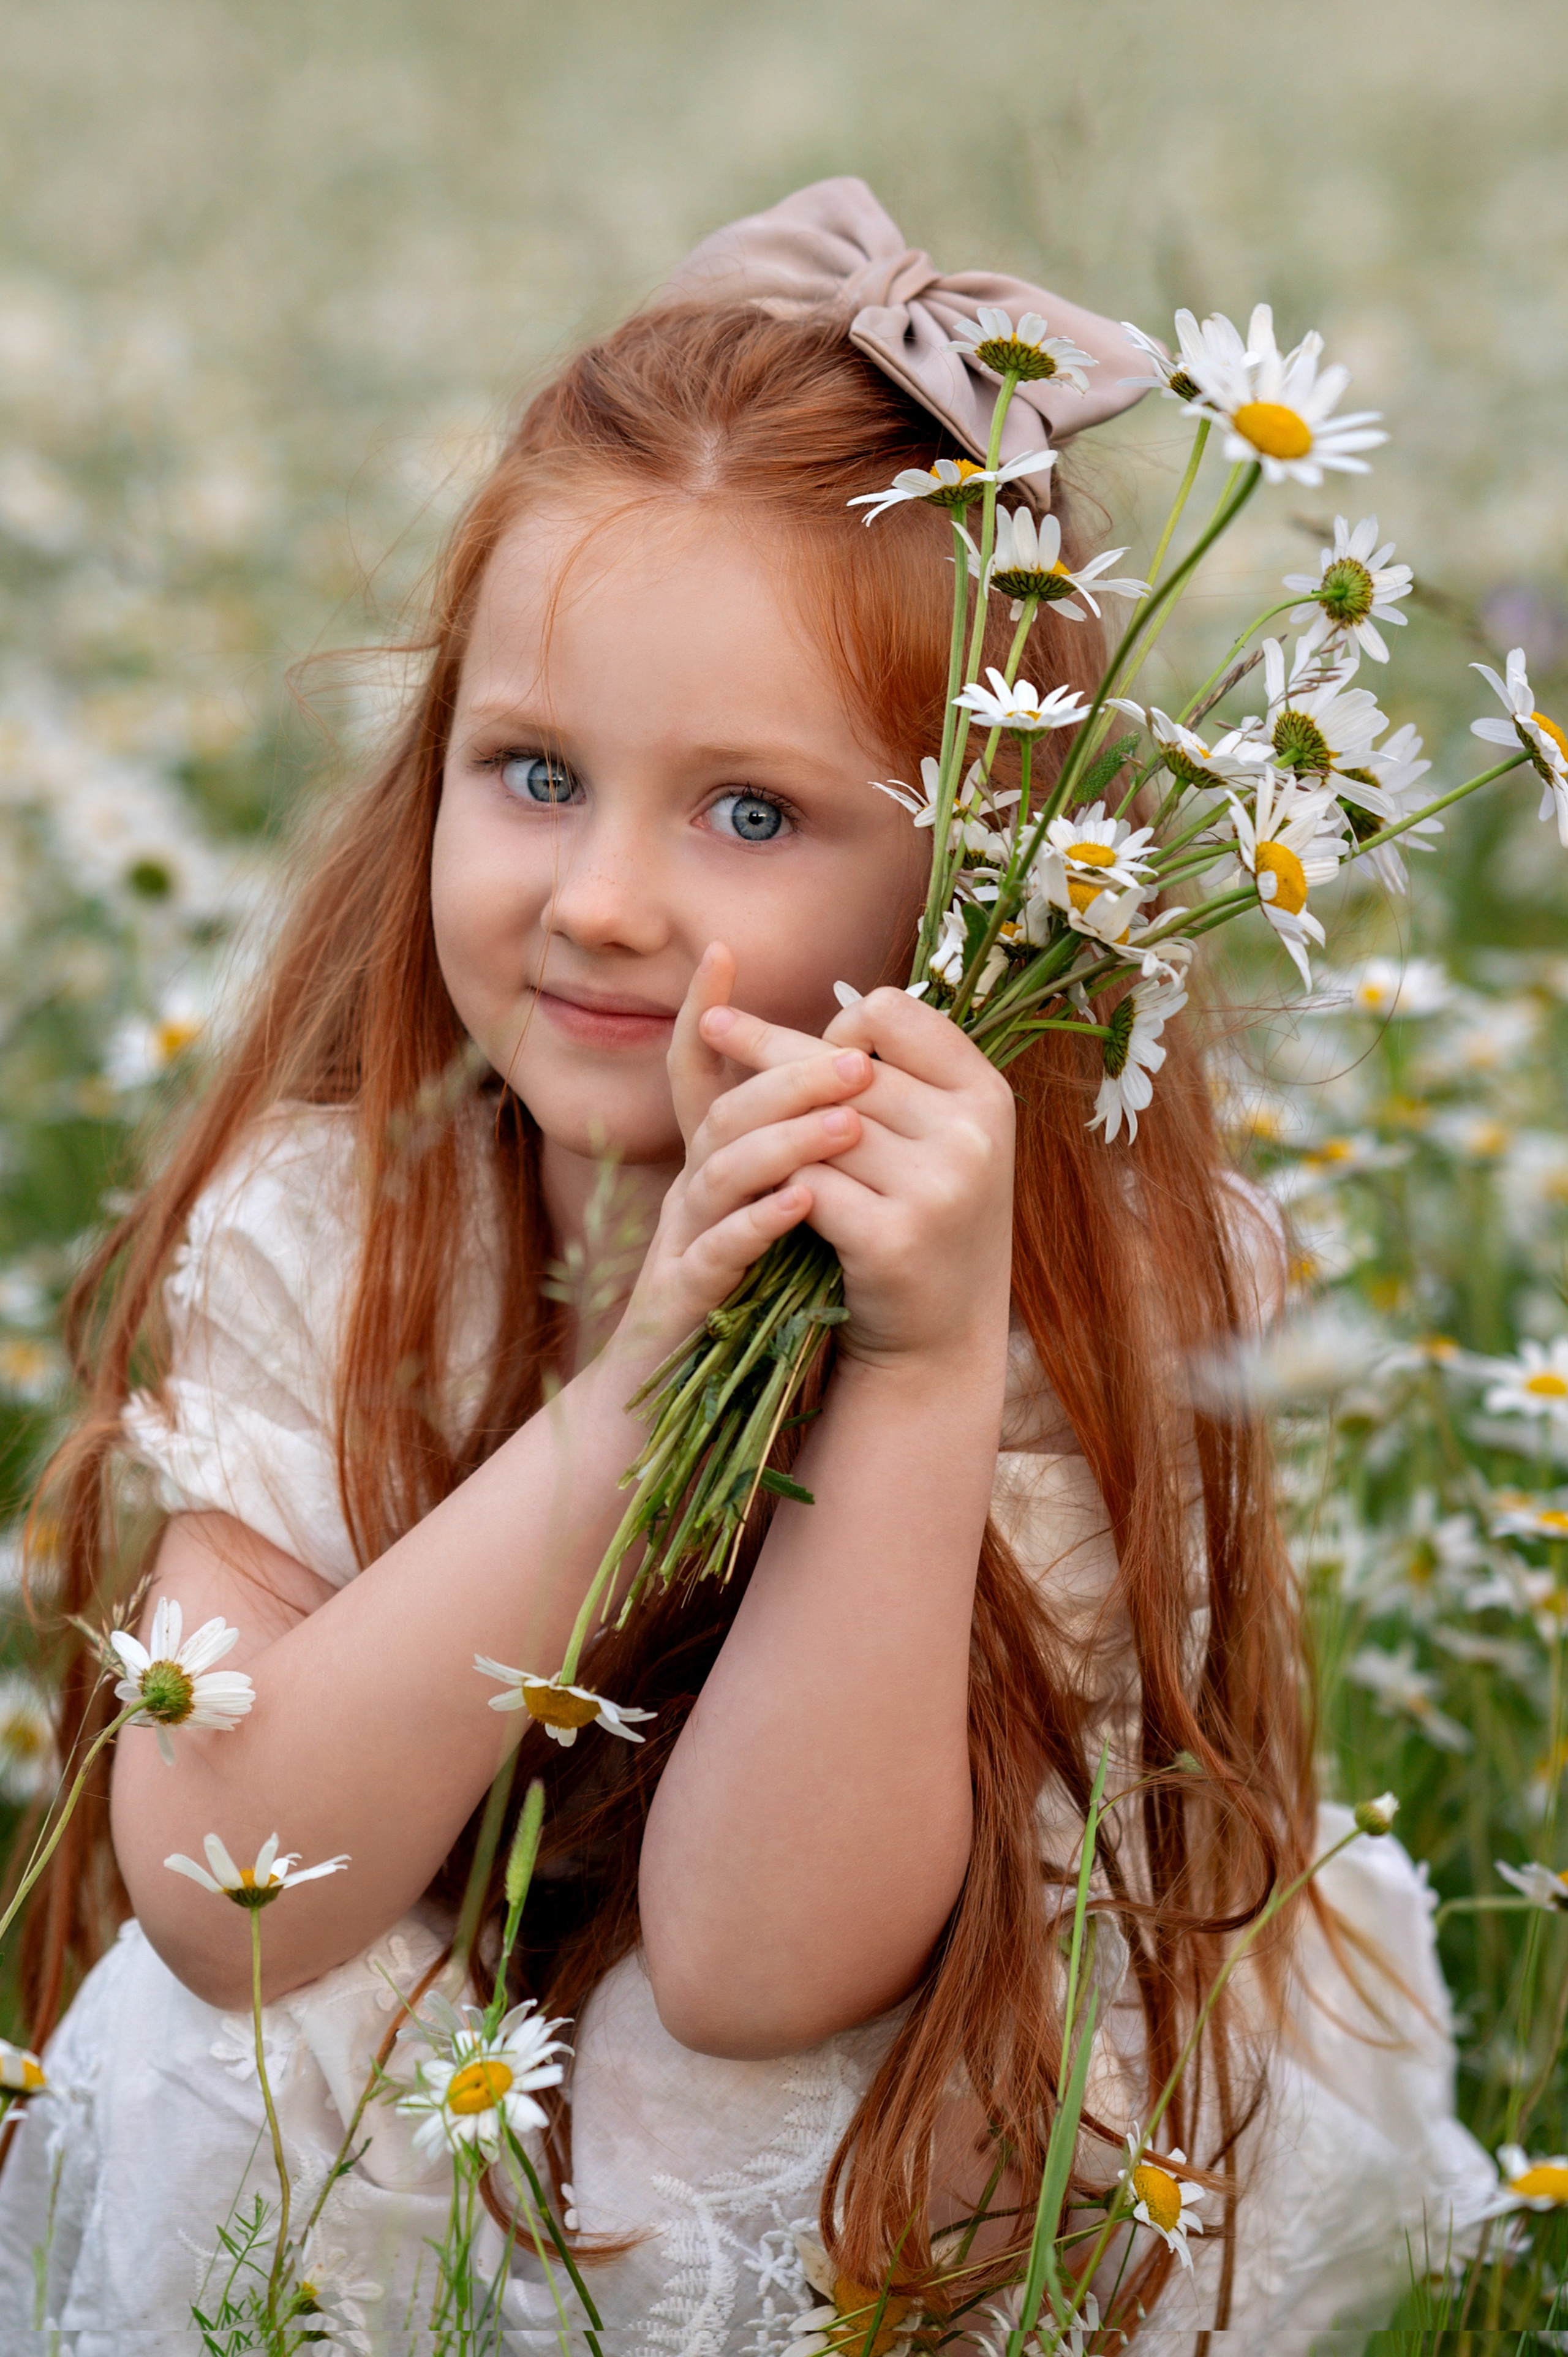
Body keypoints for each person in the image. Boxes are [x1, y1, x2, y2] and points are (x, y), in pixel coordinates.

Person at [0, 180, 1494, 2353]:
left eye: (753, 816)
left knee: (712, 2091)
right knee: (208, 2038)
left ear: (987, 886)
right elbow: (227, 1898)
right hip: (424, 2104)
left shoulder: (1085, 1291)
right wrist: (633, 1395)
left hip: (889, 2121)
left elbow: (758, 1971)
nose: (601, 901)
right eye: (534, 774)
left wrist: (906, 1366)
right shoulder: (349, 1230)